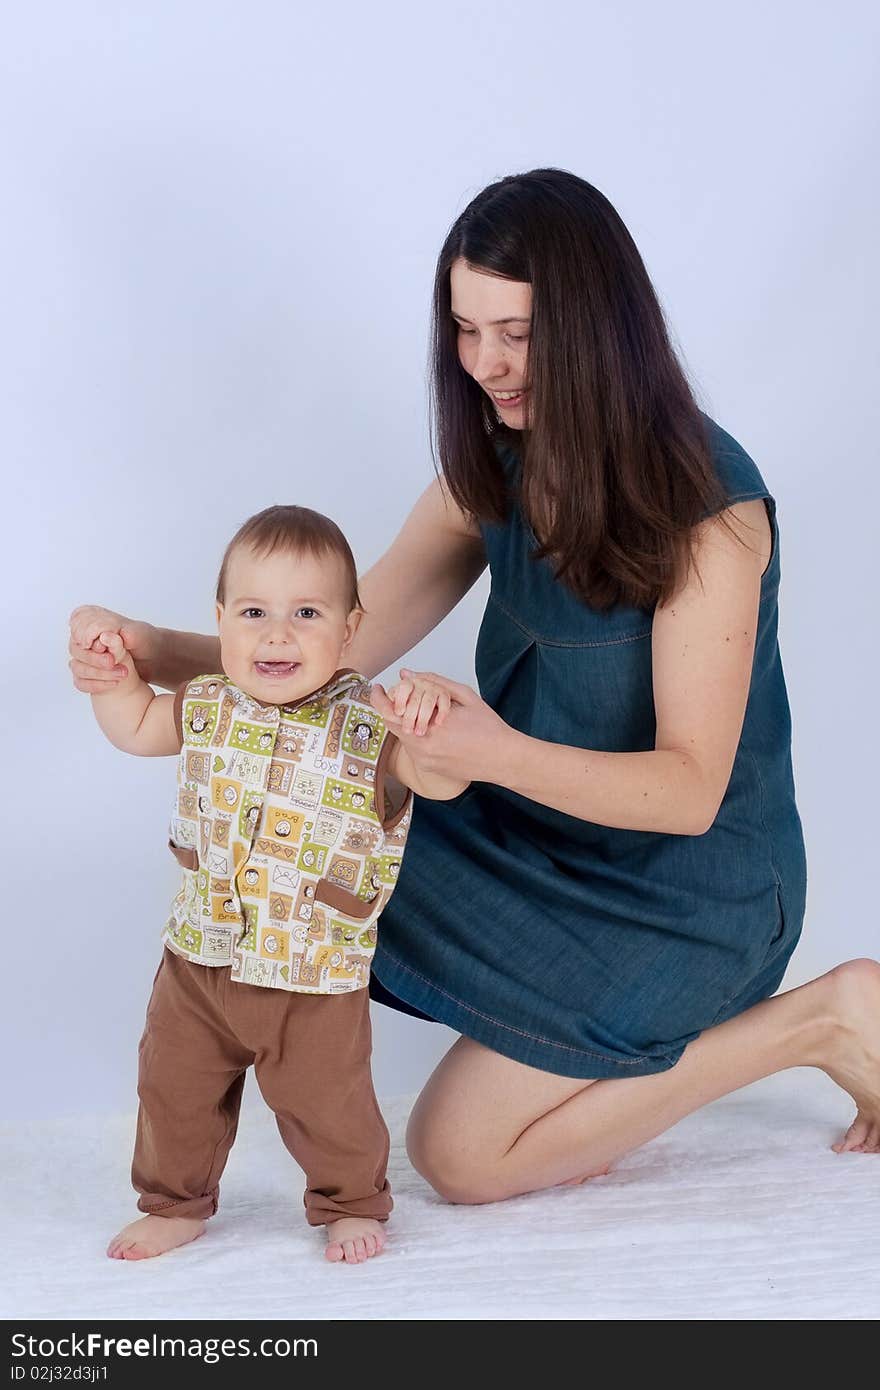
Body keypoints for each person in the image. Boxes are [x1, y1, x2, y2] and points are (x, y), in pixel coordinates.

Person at [70, 169, 880, 1212]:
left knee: (461, 1156)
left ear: (596, 329)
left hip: (691, 894)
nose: (486, 365)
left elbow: (687, 791)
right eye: (464, 329)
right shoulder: (491, 462)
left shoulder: (705, 512)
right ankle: (199, 1142)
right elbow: (330, 655)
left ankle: (822, 1019)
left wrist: (487, 750)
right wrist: (159, 647)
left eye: (517, 333)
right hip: (530, 840)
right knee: (293, 826)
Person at [73, 504, 465, 1264]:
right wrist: (110, 680)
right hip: (200, 954)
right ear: (220, 620)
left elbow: (442, 782)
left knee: (329, 1102)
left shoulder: (370, 727)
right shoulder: (207, 701)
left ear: (350, 629)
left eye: (306, 613)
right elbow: (135, 728)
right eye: (254, 611)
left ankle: (350, 1201)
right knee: (173, 1089)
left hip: (314, 968)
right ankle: (176, 1201)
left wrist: (430, 726)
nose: (276, 634)